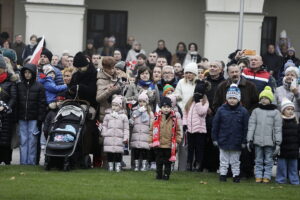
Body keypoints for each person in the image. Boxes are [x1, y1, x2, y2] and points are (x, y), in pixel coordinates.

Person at [212, 84, 249, 183]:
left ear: (238, 99)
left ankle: (236, 175)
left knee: (235, 161)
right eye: (230, 98)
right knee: (223, 160)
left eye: (234, 98)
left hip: (237, 141)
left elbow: (246, 127)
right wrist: (214, 138)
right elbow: (215, 125)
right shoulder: (221, 110)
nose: (232, 100)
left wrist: (244, 140)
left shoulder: (243, 111)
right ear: (227, 98)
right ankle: (223, 174)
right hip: (223, 139)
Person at [247, 86, 282, 183]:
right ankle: (258, 175)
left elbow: (277, 128)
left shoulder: (275, 113)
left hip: (270, 142)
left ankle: (267, 176)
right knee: (258, 159)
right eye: (262, 98)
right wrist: (249, 139)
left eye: (266, 98)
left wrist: (278, 142)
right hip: (257, 141)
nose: (263, 100)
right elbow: (251, 126)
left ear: (270, 99)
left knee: (268, 160)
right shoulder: (256, 111)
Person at [17, 63, 46, 165]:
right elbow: (17, 102)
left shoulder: (39, 87)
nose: (27, 74)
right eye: (25, 72)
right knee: (23, 141)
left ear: (33, 73)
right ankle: (23, 162)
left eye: (29, 72)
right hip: (21, 118)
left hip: (34, 119)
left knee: (32, 141)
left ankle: (31, 162)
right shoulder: (19, 86)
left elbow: (42, 104)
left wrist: (40, 118)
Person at [149, 96, 181, 180]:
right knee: (159, 162)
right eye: (164, 107)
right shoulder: (156, 118)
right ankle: (158, 175)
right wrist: (150, 140)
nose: (166, 109)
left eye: (168, 107)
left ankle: (166, 175)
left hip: (169, 145)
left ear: (171, 108)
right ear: (161, 108)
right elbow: (151, 130)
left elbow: (178, 131)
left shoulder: (174, 119)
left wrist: (178, 141)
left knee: (168, 162)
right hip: (158, 145)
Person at [203, 61, 225, 172]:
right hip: (204, 115)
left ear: (221, 70)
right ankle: (204, 165)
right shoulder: (204, 82)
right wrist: (205, 107)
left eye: (215, 66)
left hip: (219, 115)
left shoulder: (225, 83)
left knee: (215, 141)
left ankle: (216, 165)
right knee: (205, 141)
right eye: (211, 66)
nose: (212, 68)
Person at [183, 80, 209, 171]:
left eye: (199, 93)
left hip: (200, 130)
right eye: (196, 92)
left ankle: (198, 164)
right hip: (190, 130)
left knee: (199, 149)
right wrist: (185, 124)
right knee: (190, 148)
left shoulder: (205, 102)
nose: (197, 94)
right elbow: (185, 112)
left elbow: (201, 112)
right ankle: (189, 164)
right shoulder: (190, 101)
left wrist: (198, 102)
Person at [275, 98, 300, 185]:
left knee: (293, 167)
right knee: (281, 167)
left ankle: (294, 181)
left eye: (292, 109)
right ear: (283, 110)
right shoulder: (279, 121)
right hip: (282, 149)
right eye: (288, 109)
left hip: (294, 149)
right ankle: (280, 180)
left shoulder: (296, 122)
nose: (290, 111)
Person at [102, 95, 129, 172]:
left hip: (119, 138)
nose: (114, 107)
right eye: (113, 105)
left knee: (118, 153)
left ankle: (118, 165)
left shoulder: (123, 116)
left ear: (120, 106)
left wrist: (125, 137)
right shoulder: (108, 116)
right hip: (109, 137)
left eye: (116, 105)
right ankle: (110, 165)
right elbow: (104, 125)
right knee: (110, 152)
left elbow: (126, 128)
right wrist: (104, 133)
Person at [130, 92, 154, 171]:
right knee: (136, 151)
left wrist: (151, 134)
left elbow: (152, 125)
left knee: (144, 151)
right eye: (140, 101)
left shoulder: (150, 113)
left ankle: (144, 165)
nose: (141, 103)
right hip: (136, 135)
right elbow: (132, 122)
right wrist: (131, 120)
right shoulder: (135, 112)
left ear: (147, 102)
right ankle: (136, 165)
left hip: (145, 135)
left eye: (144, 101)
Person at [0, 55, 16, 165]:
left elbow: (13, 97)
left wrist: (5, 107)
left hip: (6, 114)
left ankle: (6, 159)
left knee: (5, 139)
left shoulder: (11, 81)